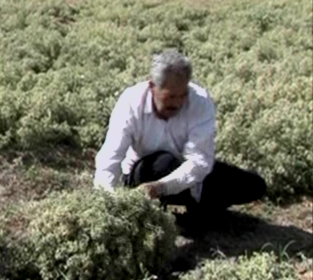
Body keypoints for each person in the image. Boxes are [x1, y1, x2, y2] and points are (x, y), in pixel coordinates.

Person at [94, 49, 266, 227]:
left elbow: (199, 161)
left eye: (183, 95)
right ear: (152, 87)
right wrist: (108, 203)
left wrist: (161, 187)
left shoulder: (200, 101)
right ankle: (178, 211)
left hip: (185, 175)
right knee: (164, 163)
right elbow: (110, 157)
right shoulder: (131, 101)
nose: (177, 103)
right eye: (170, 96)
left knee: (254, 185)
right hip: (142, 174)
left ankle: (196, 211)